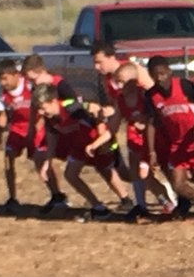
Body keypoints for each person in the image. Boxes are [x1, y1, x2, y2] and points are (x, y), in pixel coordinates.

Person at [32, 83, 130, 221]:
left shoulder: (71, 106)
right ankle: (98, 208)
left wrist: (101, 136)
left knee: (109, 171)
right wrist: (47, 164)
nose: (41, 112)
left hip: (96, 141)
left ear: (53, 101)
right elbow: (52, 140)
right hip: (79, 145)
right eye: (39, 109)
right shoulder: (50, 119)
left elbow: (96, 109)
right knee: (70, 174)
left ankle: (127, 200)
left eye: (43, 108)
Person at [145, 55, 194, 223]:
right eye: (155, 75)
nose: (160, 78)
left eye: (162, 73)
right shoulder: (151, 96)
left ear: (169, 71)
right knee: (178, 184)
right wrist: (152, 151)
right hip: (176, 143)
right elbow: (151, 123)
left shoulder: (183, 85)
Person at [0, 60, 64, 213]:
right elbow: (2, 115)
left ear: (15, 75)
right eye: (0, 79)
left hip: (36, 125)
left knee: (40, 160)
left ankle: (57, 195)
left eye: (5, 78)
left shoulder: (28, 85)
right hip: (17, 128)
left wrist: (38, 128)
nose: (3, 82)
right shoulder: (3, 92)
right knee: (8, 158)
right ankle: (12, 198)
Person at [114, 62, 177, 221]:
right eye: (117, 81)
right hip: (133, 141)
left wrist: (144, 122)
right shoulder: (120, 99)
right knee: (135, 173)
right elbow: (114, 123)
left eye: (122, 81)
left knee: (145, 175)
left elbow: (156, 116)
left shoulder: (145, 96)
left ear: (133, 81)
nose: (119, 86)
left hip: (148, 142)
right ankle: (141, 205)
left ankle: (168, 200)